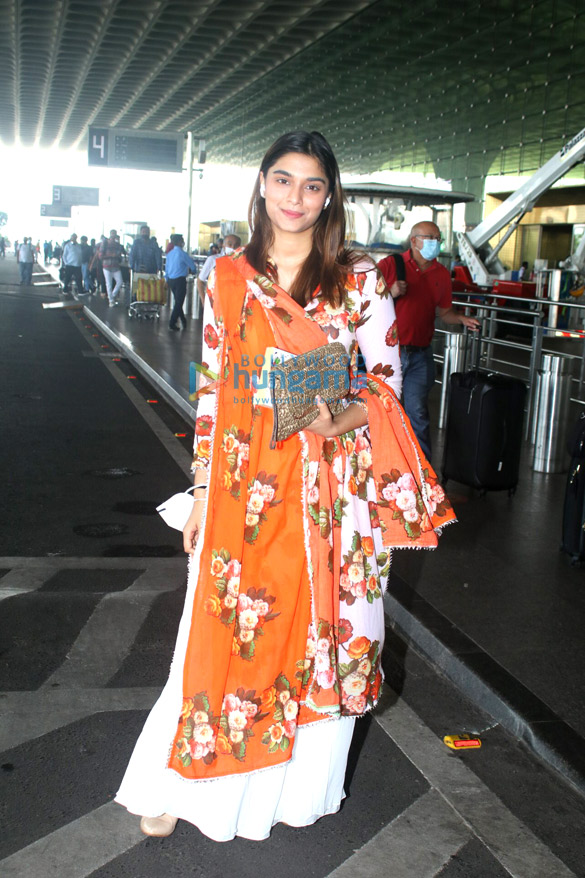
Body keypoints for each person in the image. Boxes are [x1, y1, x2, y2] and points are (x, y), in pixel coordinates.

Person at [115, 131, 455, 842]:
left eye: (311, 185)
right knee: (216, 634)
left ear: (329, 196)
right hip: (245, 487)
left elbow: (387, 385)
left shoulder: (358, 278)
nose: (295, 198)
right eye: (282, 180)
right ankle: (181, 784)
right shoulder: (225, 276)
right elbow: (211, 391)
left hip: (331, 493)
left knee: (317, 636)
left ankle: (289, 794)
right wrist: (202, 492)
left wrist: (343, 419)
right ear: (261, 186)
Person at [378, 222, 480, 459]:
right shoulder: (391, 265)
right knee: (382, 409)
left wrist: (462, 319)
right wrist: (390, 292)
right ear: (413, 241)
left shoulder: (442, 274)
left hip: (421, 353)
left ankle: (422, 471)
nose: (435, 242)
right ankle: (381, 464)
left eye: (438, 238)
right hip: (390, 352)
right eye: (429, 237)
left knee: (418, 413)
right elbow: (364, 298)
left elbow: (444, 313)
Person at [197, 234, 242, 304]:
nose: (233, 247)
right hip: (215, 303)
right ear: (223, 245)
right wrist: (204, 302)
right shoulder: (213, 260)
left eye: (236, 245)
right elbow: (200, 281)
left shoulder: (241, 263)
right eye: (230, 244)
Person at [165, 233, 195, 330]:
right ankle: (172, 323)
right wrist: (193, 271)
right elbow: (193, 266)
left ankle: (183, 319)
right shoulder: (183, 254)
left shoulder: (169, 254)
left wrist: (166, 279)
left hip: (171, 280)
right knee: (179, 302)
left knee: (178, 301)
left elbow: (167, 268)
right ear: (179, 242)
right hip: (180, 280)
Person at [97, 229, 125, 306]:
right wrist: (111, 255)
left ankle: (111, 296)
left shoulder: (118, 245)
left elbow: (120, 256)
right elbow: (100, 256)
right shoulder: (104, 243)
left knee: (119, 282)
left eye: (114, 234)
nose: (113, 235)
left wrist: (118, 257)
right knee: (109, 283)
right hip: (106, 266)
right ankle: (111, 300)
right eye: (112, 234)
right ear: (110, 234)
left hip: (115, 266)